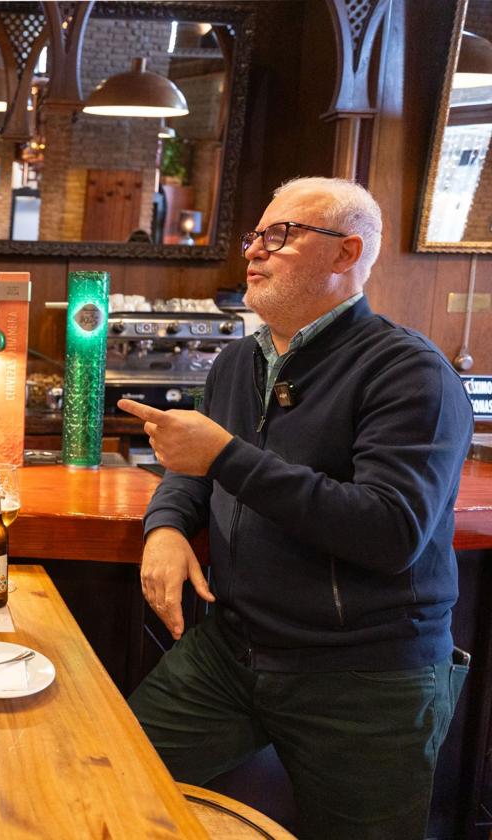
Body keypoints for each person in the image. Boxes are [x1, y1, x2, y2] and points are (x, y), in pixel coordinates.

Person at [117, 177, 472, 840]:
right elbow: (193, 470)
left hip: (364, 677)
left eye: (281, 236)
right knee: (109, 781)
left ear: (346, 255)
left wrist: (225, 457)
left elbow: (391, 530)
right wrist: (165, 528)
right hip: (233, 649)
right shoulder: (237, 363)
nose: (255, 250)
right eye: (256, 235)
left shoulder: (408, 371)